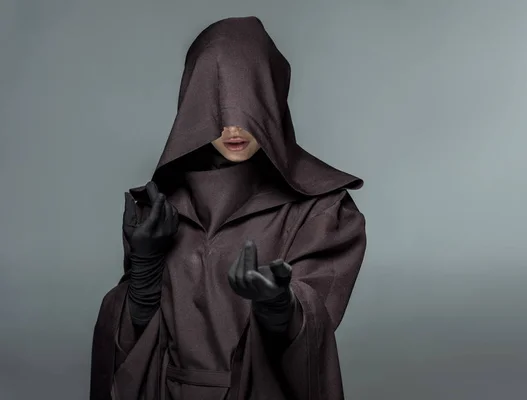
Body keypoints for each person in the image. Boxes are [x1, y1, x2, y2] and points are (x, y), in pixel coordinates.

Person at [90, 16, 366, 400]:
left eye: (248, 103)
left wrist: (278, 306)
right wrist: (143, 274)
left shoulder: (322, 212)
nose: (233, 127)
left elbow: (311, 334)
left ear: (270, 100)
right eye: (216, 103)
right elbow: (135, 343)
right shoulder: (159, 209)